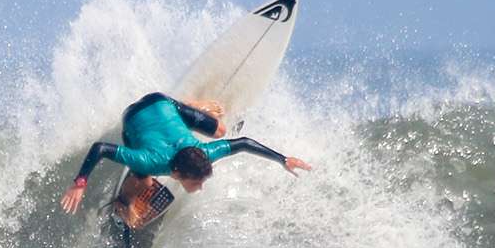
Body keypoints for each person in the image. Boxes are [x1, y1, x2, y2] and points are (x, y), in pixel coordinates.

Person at [59, 91, 311, 215]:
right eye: (197, 181)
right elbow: (101, 149)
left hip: (166, 104)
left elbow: (243, 142)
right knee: (142, 180)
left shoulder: (204, 154)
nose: (200, 186)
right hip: (135, 116)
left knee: (221, 129)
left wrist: (283, 159)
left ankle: (190, 106)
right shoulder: (151, 161)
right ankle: (122, 203)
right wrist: (79, 183)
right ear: (176, 172)